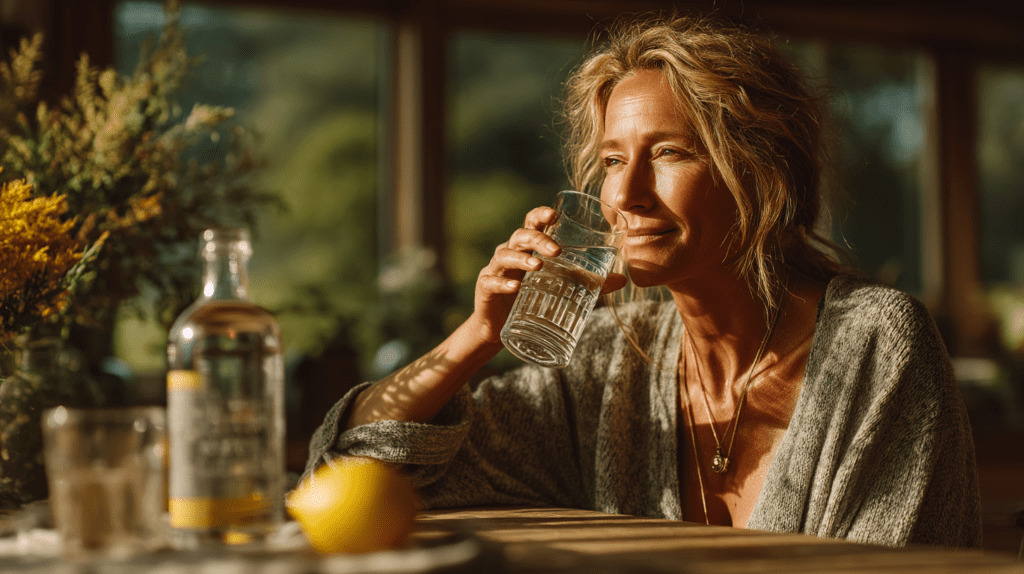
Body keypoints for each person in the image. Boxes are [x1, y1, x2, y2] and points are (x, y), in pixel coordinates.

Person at [304, 12, 982, 549]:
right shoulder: (608, 360)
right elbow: (347, 484)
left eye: (668, 153)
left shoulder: (875, 342)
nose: (625, 195)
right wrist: (476, 337)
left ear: (760, 171)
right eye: (609, 160)